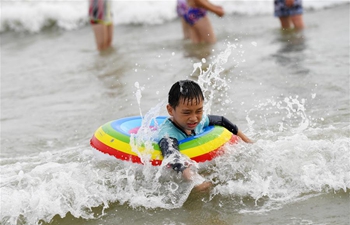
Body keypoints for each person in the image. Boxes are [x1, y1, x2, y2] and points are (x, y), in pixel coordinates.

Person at [157, 80, 253, 191]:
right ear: (170, 110)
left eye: (199, 111)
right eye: (187, 112)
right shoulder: (168, 133)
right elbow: (171, 154)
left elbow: (222, 120)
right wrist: (193, 179)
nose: (194, 118)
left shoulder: (199, 121)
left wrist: (247, 141)